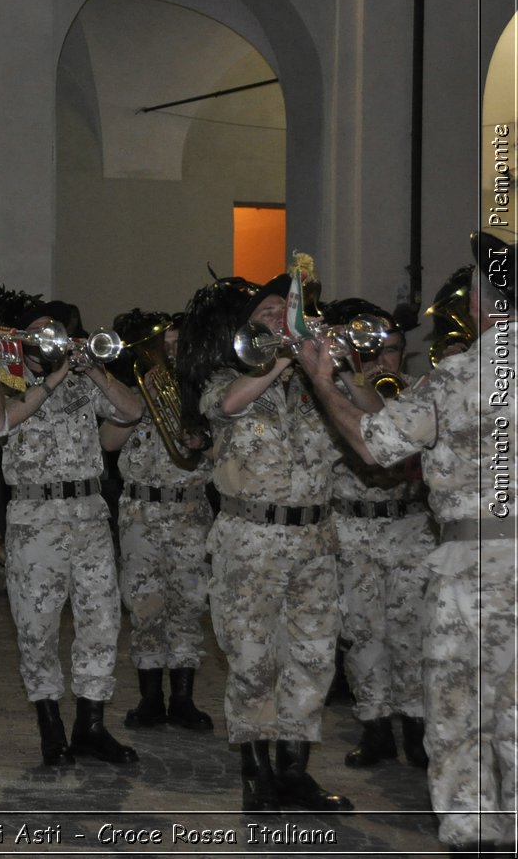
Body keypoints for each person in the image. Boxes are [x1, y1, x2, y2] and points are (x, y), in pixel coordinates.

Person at [299, 236, 515, 855]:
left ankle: (476, 841)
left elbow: (374, 447)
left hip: (473, 568)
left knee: (462, 715)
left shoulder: (459, 376)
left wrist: (322, 381)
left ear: (479, 305)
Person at [179, 269, 351, 814]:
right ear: (248, 324)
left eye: (290, 311)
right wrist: (282, 355)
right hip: (250, 539)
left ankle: (294, 772)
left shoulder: (317, 384)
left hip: (316, 539)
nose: (282, 317)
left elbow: (369, 417)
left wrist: (331, 364)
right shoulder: (224, 375)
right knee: (253, 661)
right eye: (271, 311)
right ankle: (257, 778)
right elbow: (227, 406)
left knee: (313, 656)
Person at [0, 299, 144, 767]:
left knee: (102, 622)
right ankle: (50, 727)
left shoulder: (78, 380)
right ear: (20, 337)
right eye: (36, 331)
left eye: (52, 330)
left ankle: (90, 725)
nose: (46, 337)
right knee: (37, 628)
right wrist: (50, 377)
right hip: (34, 517)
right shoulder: (9, 380)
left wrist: (92, 371)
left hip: (89, 512)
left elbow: (130, 412)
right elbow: (0, 421)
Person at [314, 299, 433, 772]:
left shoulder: (417, 393)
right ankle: (375, 727)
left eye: (395, 350)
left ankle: (418, 729)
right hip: (353, 525)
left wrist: (360, 380)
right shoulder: (334, 399)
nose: (387, 360)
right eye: (376, 351)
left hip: (408, 524)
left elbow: (387, 422)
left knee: (413, 632)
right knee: (363, 634)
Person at [99, 311, 215, 734]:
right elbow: (108, 444)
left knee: (188, 603)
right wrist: (135, 405)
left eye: (175, 345)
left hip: (189, 511)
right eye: (162, 344)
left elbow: (218, 456)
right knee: (144, 605)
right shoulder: (134, 394)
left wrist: (199, 437)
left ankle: (183, 698)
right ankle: (151, 698)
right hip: (140, 512)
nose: (168, 352)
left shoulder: (203, 395)